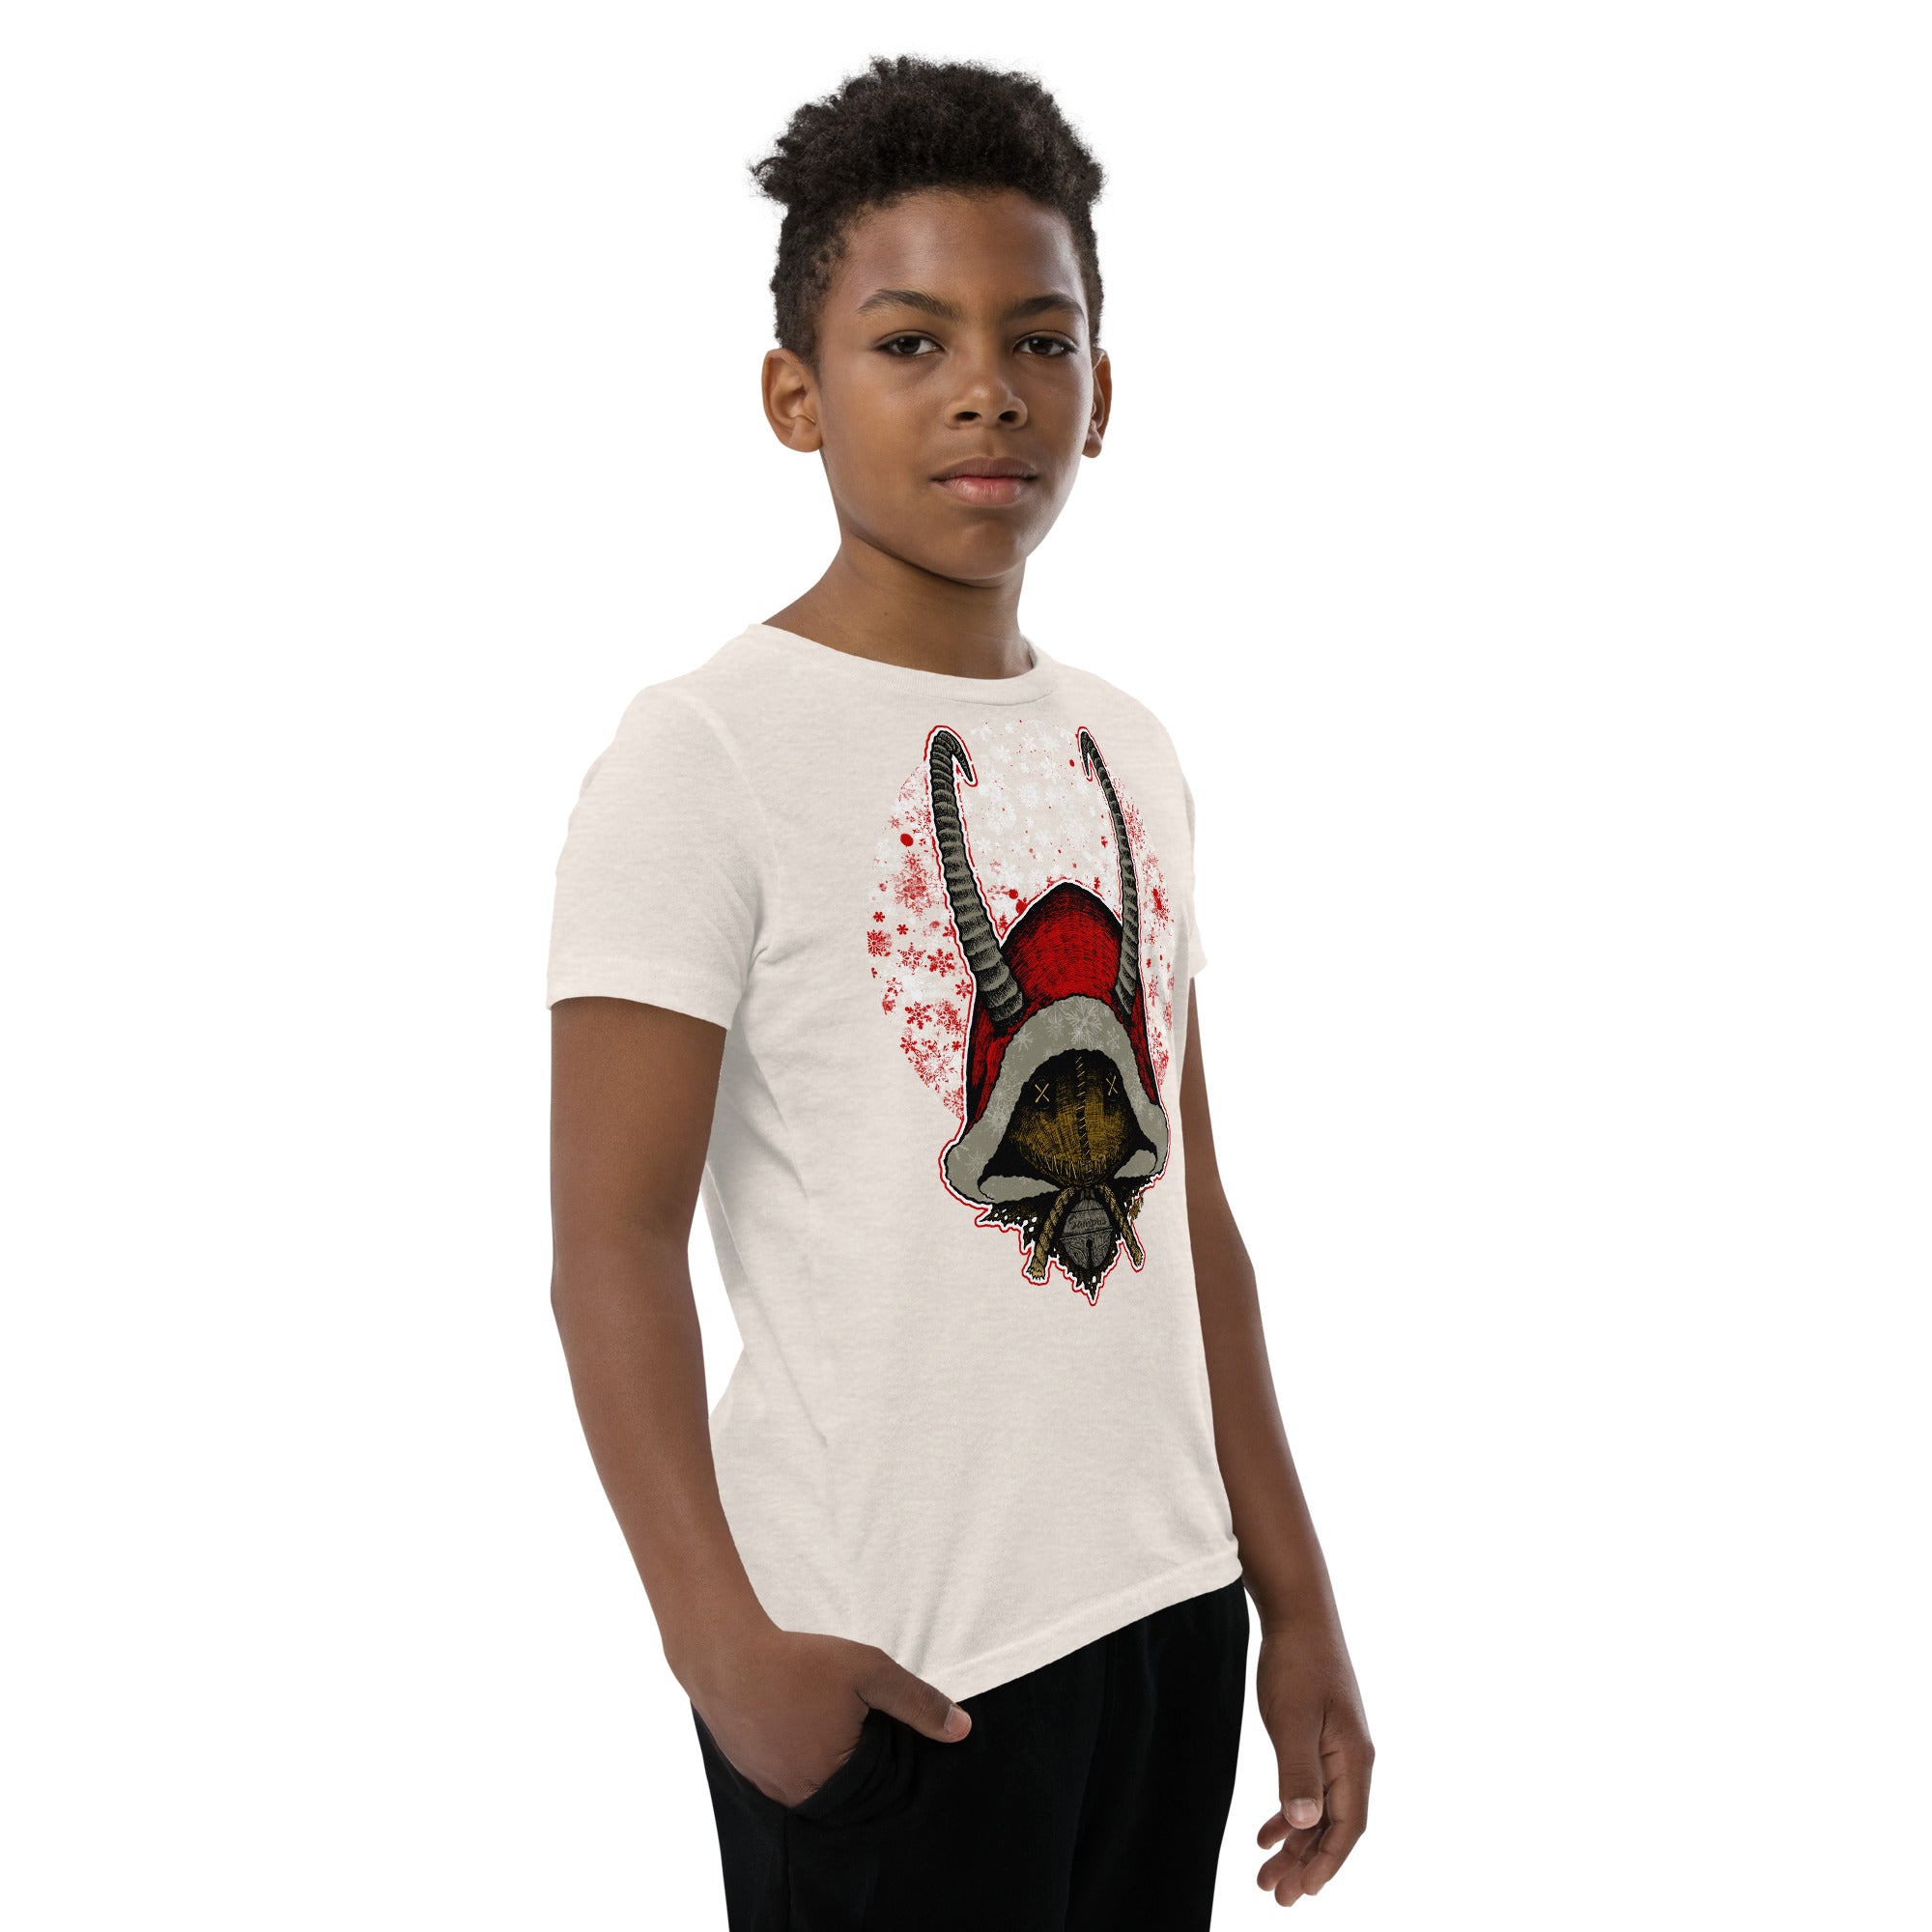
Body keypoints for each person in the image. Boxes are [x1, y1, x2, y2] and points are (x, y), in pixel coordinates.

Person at [545, 53, 1372, 1928]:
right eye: (910, 341)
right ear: (795, 393)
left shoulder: (1131, 746)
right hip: (894, 1663)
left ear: (1103, 388)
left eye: (1038, 339)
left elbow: (1191, 1220)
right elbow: (609, 1244)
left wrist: (1296, 1600)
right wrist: (720, 1651)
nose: (986, 388)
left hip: (1165, 1617)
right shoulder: (706, 754)